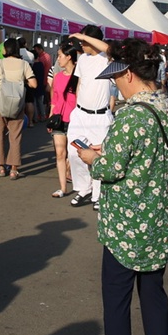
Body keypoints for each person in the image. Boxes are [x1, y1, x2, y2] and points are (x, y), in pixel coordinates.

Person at [74, 39, 168, 335]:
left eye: (117, 76)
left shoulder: (132, 115)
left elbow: (109, 168)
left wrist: (92, 159)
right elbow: (147, 153)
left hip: (128, 223)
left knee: (116, 295)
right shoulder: (166, 107)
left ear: (130, 74)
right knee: (153, 290)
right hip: (159, 216)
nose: (114, 83)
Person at [66, 27, 113, 208]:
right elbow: (80, 83)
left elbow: (108, 48)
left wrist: (83, 36)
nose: (81, 45)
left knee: (98, 156)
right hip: (80, 115)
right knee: (74, 152)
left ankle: (98, 194)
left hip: (99, 117)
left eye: (84, 42)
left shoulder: (106, 59)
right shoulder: (82, 59)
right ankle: (84, 188)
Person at [0, 38, 36, 179]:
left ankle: (0, 168)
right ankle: (13, 169)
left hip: (0, 102)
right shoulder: (24, 64)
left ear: (5, 50)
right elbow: (34, 84)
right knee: (15, 136)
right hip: (17, 103)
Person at [48, 39, 79, 198]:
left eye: (60, 55)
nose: (58, 59)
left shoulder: (80, 77)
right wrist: (51, 114)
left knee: (73, 154)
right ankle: (62, 187)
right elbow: (54, 97)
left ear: (69, 57)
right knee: (60, 153)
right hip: (59, 118)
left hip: (75, 120)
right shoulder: (58, 76)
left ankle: (78, 181)